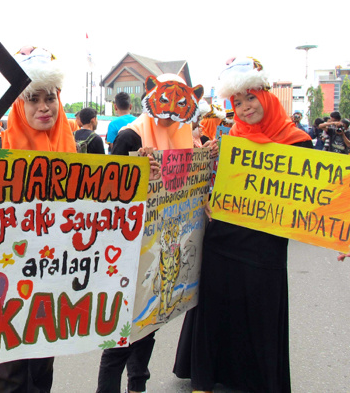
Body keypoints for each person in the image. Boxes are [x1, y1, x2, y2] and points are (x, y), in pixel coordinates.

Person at [173, 57, 313, 393]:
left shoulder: (298, 142)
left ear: (265, 96)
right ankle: (205, 378)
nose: (245, 108)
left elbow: (313, 201)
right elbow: (211, 183)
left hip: (266, 244)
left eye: (250, 98)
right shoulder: (230, 139)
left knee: (261, 310)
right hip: (222, 239)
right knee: (216, 306)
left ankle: (259, 380)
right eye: (237, 102)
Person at [0, 46, 76, 393]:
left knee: (43, 367)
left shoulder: (74, 153)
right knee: (10, 373)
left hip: (55, 278)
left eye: (50, 98)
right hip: (10, 280)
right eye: (33, 98)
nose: (44, 107)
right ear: (17, 104)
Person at [97, 74, 215, 393]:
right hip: (127, 249)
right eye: (165, 100)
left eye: (180, 103)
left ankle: (138, 385)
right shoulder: (129, 136)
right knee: (121, 333)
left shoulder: (185, 137)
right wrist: (137, 174)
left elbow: (192, 190)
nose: (171, 110)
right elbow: (109, 193)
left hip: (164, 244)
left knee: (150, 325)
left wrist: (208, 161)